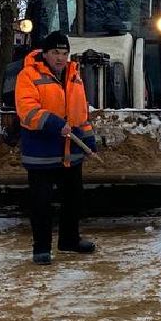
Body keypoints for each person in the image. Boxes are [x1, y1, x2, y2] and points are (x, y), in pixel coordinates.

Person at [14, 31, 97, 265]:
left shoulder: (74, 75)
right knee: (41, 202)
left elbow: (81, 113)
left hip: (72, 151)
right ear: (45, 53)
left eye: (64, 53)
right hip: (41, 153)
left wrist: (89, 139)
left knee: (74, 198)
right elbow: (27, 111)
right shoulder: (28, 75)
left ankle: (69, 240)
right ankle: (41, 248)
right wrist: (53, 123)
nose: (60, 58)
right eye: (55, 53)